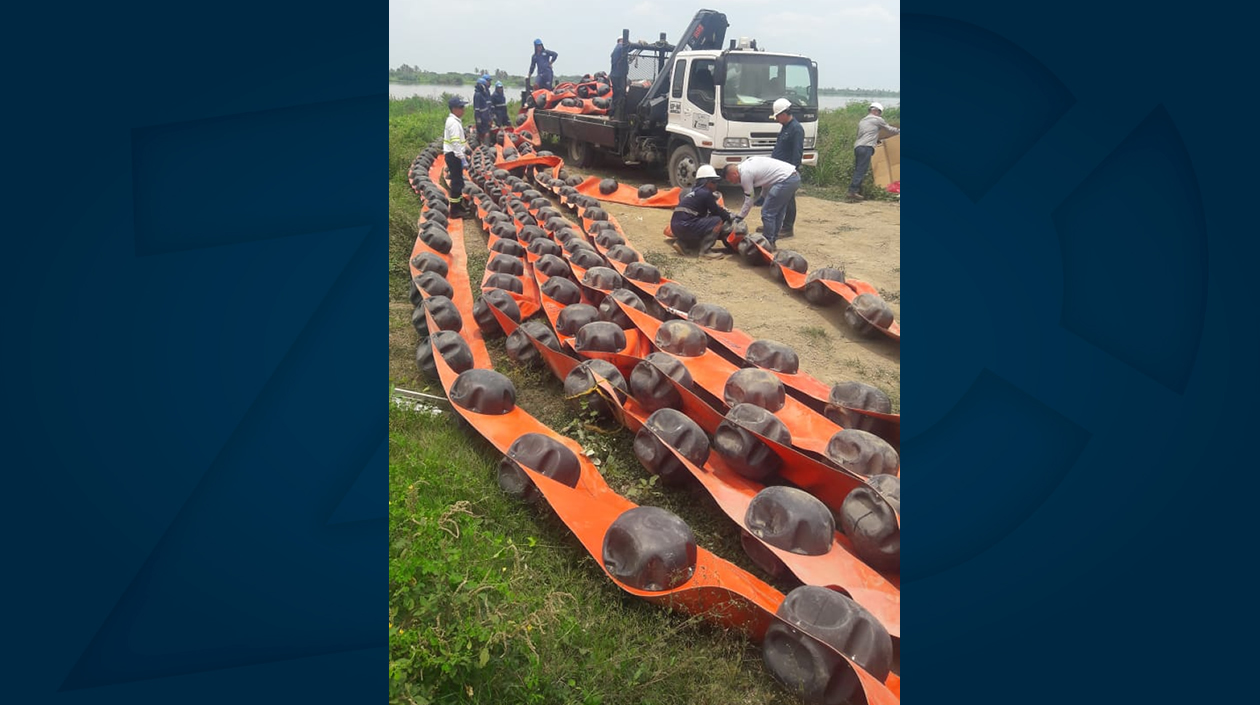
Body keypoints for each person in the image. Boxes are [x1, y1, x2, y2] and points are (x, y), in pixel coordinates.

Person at [723, 155, 800, 247]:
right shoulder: (748, 164)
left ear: (734, 174)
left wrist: (740, 216)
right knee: (778, 211)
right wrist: (763, 197)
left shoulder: (745, 174)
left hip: (785, 181)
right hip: (793, 177)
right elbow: (766, 180)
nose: (733, 182)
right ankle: (772, 240)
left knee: (767, 213)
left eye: (731, 180)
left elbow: (749, 198)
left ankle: (768, 241)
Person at [667, 165, 732, 259]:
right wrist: (729, 217)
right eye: (714, 182)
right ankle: (706, 251)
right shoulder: (706, 193)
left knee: (702, 221)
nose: (716, 185)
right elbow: (716, 211)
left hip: (675, 228)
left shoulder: (692, 192)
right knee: (717, 220)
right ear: (706, 182)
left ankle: (681, 243)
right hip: (685, 226)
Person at [849, 102, 900, 201]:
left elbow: (864, 134)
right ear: (876, 111)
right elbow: (889, 129)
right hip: (866, 147)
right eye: (879, 112)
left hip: (858, 147)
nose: (880, 115)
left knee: (858, 169)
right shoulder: (877, 119)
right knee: (861, 170)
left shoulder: (863, 121)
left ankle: (857, 191)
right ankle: (853, 191)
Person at [768, 97, 803, 238]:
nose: (776, 119)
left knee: (788, 199)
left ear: (784, 114)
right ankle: (775, 224)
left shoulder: (796, 129)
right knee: (779, 198)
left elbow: (797, 151)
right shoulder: (786, 127)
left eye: (777, 116)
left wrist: (793, 169)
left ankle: (788, 228)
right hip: (779, 169)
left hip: (787, 171)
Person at [442, 96, 471, 218]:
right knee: (456, 182)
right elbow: (455, 142)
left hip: (454, 155)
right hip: (454, 155)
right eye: (461, 107)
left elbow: (459, 141)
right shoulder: (453, 123)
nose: (463, 110)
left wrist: (466, 148)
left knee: (458, 181)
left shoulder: (455, 121)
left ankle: (458, 205)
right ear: (454, 109)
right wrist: (461, 157)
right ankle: (454, 211)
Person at [610, 36, 629, 120]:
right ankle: (615, 113)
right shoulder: (619, 47)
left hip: (617, 75)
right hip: (618, 75)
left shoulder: (618, 49)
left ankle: (614, 113)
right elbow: (627, 47)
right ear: (620, 41)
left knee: (618, 94)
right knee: (619, 93)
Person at [472, 77, 493, 145]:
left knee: (485, 131)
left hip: (485, 116)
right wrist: (478, 118)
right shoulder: (478, 95)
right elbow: (477, 108)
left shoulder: (482, 94)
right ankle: (485, 145)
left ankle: (484, 144)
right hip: (481, 117)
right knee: (484, 131)